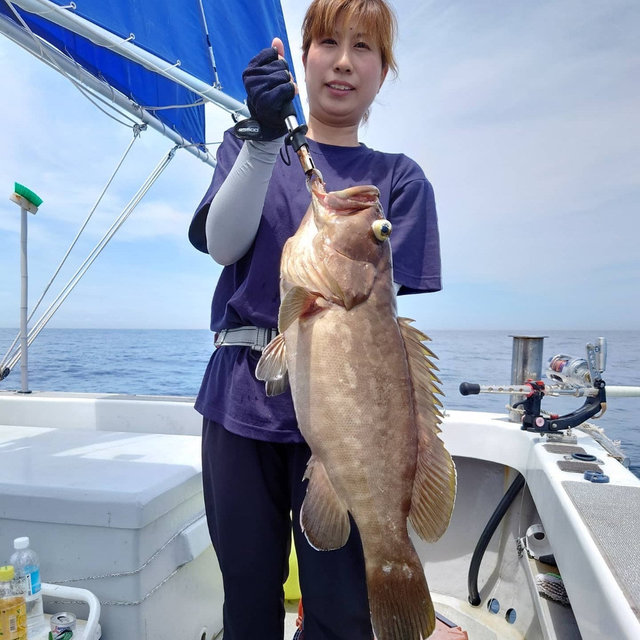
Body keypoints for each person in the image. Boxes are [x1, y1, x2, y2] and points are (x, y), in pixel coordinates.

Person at [188, 0, 441, 638]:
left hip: (349, 416)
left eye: (366, 49)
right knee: (247, 589)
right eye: (328, 42)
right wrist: (263, 138)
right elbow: (222, 243)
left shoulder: (399, 179)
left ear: (385, 71)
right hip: (240, 401)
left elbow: (383, 319)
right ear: (303, 58)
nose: (344, 62)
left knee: (343, 608)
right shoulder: (250, 147)